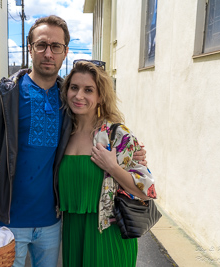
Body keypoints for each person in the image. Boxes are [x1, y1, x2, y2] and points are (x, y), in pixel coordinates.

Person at [0, 15, 147, 267]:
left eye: (56, 46)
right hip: (9, 220)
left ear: (65, 52)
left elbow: (99, 131)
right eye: (41, 45)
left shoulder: (68, 101)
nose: (48, 53)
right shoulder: (1, 96)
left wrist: (132, 155)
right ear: (30, 48)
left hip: (53, 222)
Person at [58, 60, 157, 267]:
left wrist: (112, 167)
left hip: (108, 234)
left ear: (100, 96)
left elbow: (145, 191)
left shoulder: (117, 135)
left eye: (88, 90)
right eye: (74, 88)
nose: (79, 96)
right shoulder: (62, 134)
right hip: (73, 232)